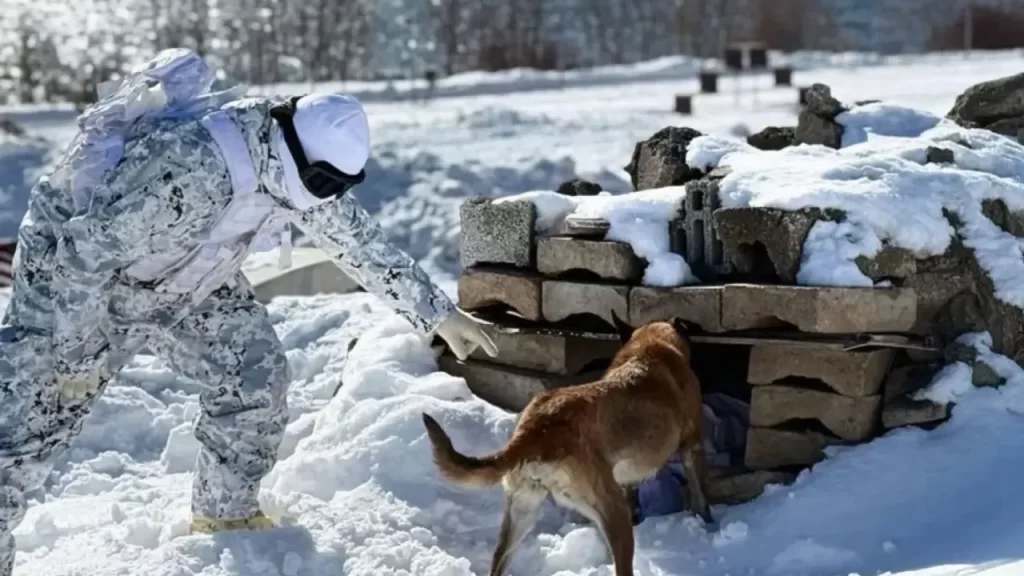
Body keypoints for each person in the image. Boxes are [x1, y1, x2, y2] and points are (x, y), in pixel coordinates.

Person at [0, 48, 497, 574]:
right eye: (325, 185)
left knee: (253, 374)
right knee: (23, 436)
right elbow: (83, 254)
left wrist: (438, 314)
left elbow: (357, 244)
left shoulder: (289, 155)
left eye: (337, 187)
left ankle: (225, 515)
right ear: (298, 158)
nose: (327, 198)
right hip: (72, 287)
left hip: (182, 274)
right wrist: (75, 357)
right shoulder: (192, 173)